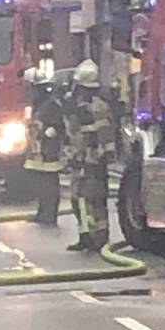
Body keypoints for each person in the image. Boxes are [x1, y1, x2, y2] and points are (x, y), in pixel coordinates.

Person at [65, 60, 118, 252]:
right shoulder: (79, 107)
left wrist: (100, 159)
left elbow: (105, 137)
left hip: (93, 161)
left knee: (95, 200)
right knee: (78, 199)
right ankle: (85, 236)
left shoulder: (98, 107)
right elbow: (73, 134)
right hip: (79, 160)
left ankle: (100, 238)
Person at [23, 63, 68, 225]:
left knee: (49, 185)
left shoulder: (51, 105)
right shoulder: (39, 105)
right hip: (39, 152)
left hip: (49, 151)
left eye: (30, 89)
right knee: (42, 184)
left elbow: (60, 126)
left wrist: (51, 133)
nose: (29, 92)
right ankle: (42, 213)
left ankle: (49, 215)